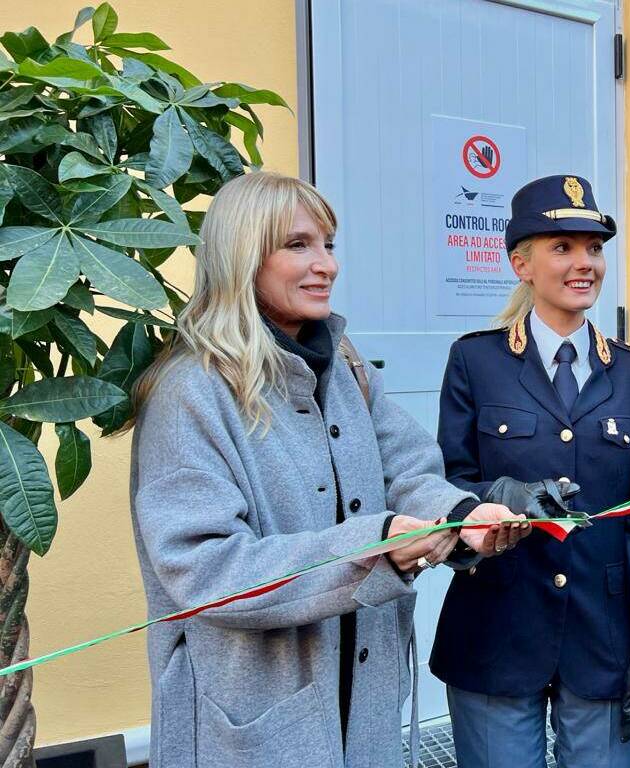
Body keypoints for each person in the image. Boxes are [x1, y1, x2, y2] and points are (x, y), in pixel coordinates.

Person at [128, 171, 528, 768]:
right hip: (248, 725)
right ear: (242, 256)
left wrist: (462, 516)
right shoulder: (190, 391)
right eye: (297, 246)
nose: (326, 265)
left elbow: (407, 468)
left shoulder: (344, 365)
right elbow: (203, 569)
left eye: (328, 244)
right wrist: (373, 546)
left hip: (362, 703)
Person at [430, 175, 630, 768]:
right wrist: (493, 497)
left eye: (593, 248)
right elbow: (445, 483)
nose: (584, 262)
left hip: (603, 633)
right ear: (521, 263)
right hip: (498, 623)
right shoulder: (476, 361)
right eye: (561, 247)